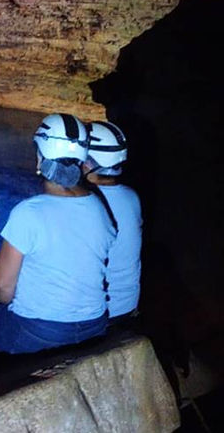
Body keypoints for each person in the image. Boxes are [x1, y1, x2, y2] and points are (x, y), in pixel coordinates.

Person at [0, 113, 116, 354]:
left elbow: (3, 287)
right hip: (94, 324)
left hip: (39, 332)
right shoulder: (98, 206)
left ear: (40, 159)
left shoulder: (29, 212)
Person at [84, 121, 142, 323]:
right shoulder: (131, 197)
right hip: (127, 305)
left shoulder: (86, 203)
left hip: (100, 312)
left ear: (86, 162)